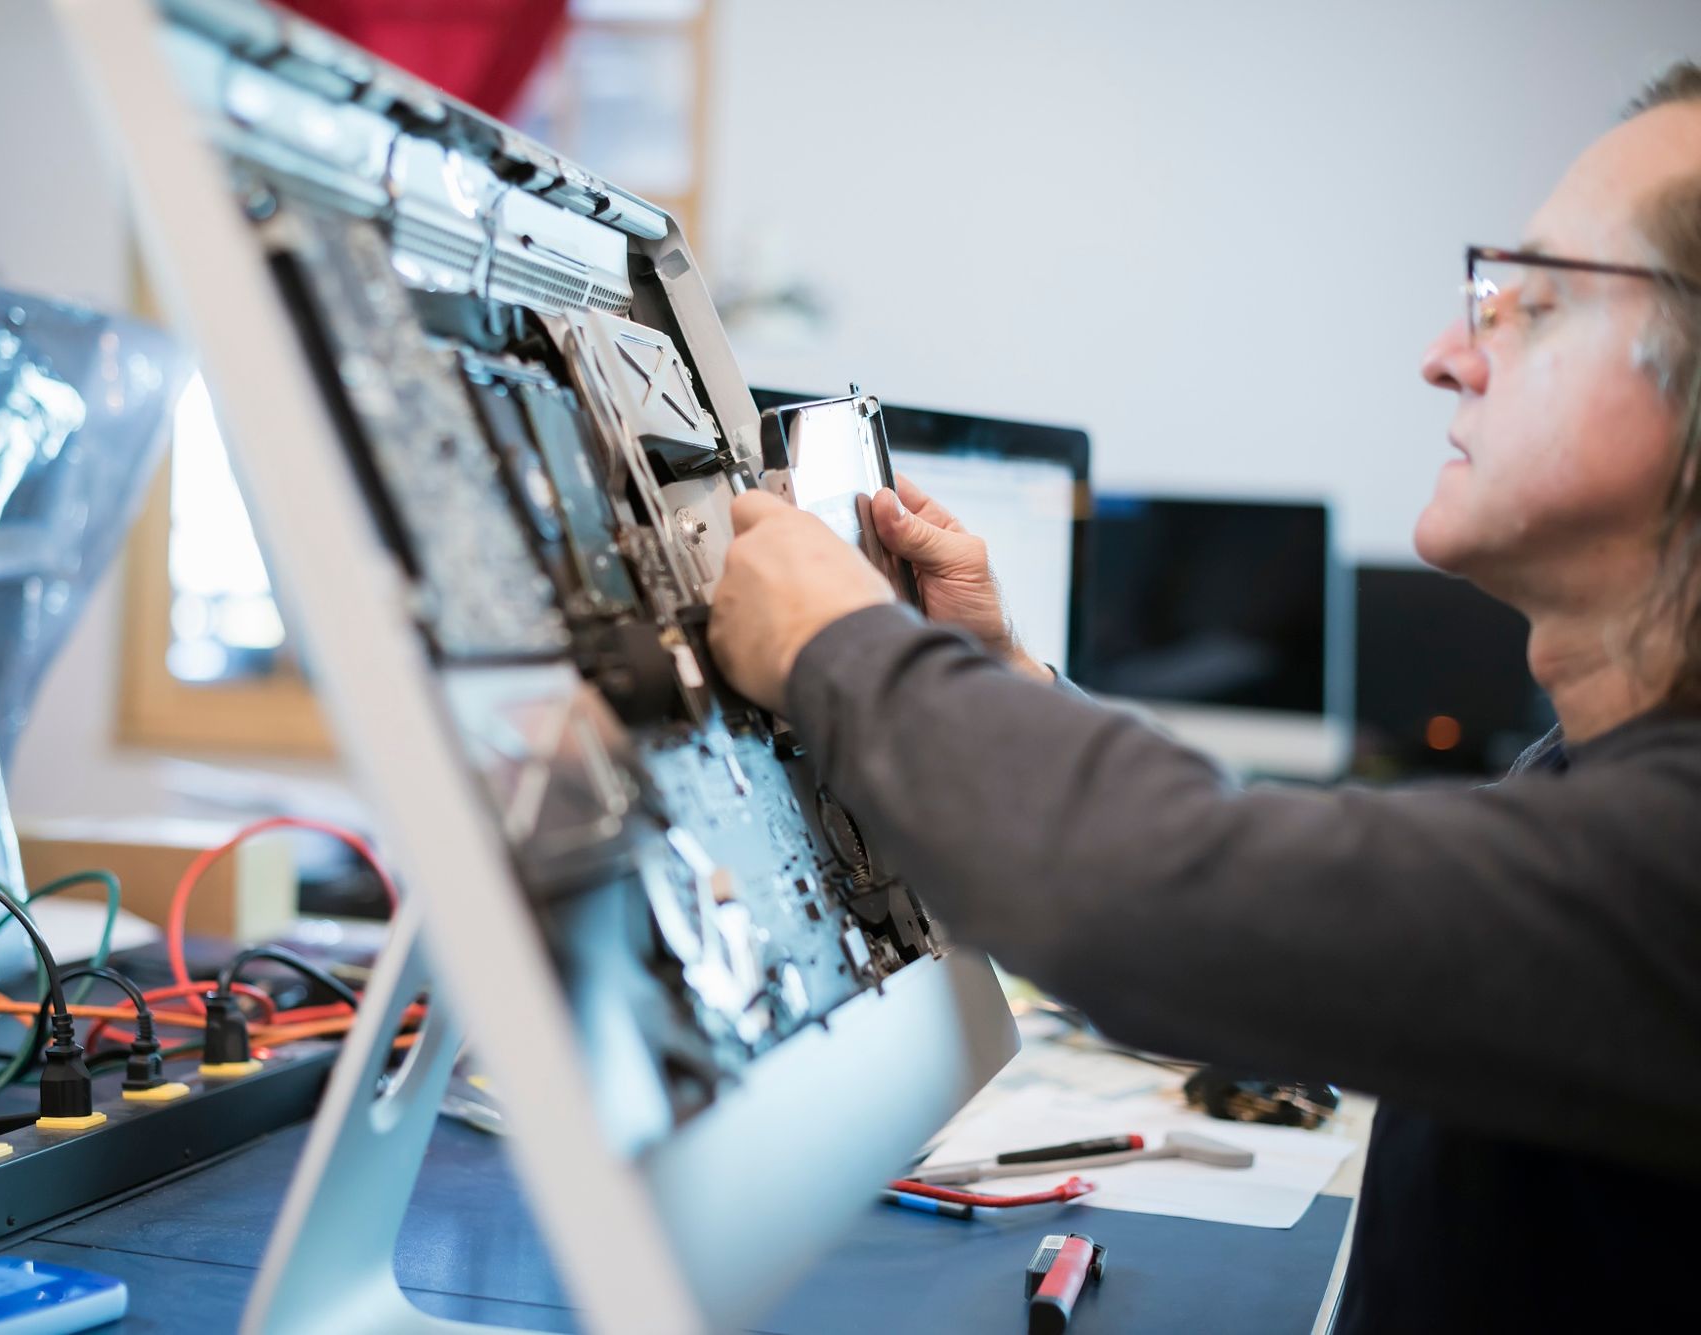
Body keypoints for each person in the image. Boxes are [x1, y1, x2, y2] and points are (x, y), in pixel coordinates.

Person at [706, 65, 1701, 1332]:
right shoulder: (1584, 777)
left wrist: (829, 641)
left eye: (1532, 304)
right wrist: (997, 677)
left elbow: (1159, 893)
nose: (1447, 355)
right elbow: (1295, 928)